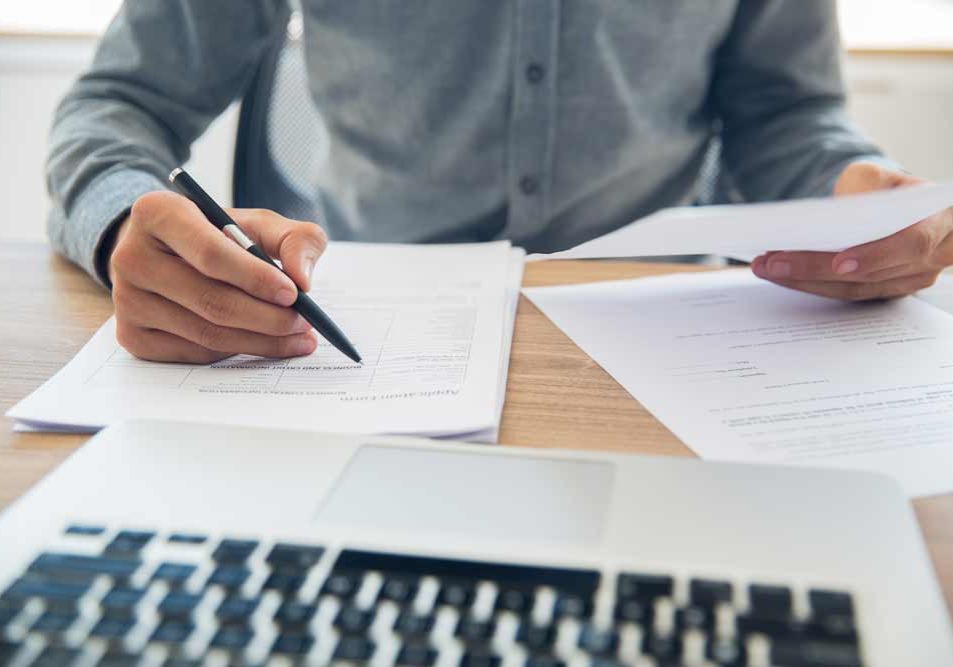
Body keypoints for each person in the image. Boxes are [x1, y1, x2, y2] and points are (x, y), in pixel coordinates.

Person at [47, 1, 953, 363]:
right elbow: (119, 103)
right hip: (370, 333)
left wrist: (851, 189)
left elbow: (784, 111)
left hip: (667, 338)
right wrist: (124, 220)